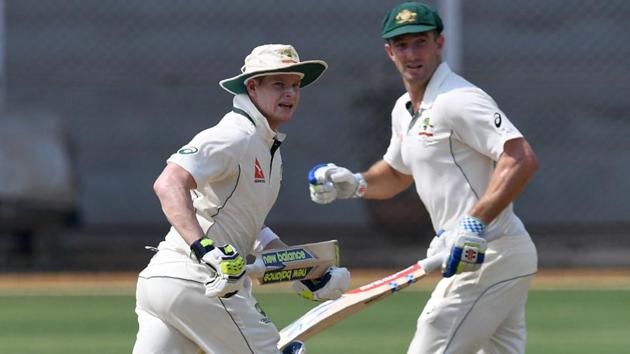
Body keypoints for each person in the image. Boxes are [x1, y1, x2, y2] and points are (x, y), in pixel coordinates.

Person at [308, 2, 539, 354]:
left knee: (432, 338)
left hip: (490, 253)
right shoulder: (404, 109)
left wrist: (474, 223)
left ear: (439, 43)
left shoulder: (459, 99)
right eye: (402, 45)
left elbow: (520, 157)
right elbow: (398, 173)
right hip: (482, 256)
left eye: (420, 42)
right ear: (390, 51)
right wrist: (354, 183)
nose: (412, 54)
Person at [133, 44, 350, 354]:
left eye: (294, 85)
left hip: (164, 284)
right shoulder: (235, 135)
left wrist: (308, 271)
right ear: (252, 86)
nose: (289, 94)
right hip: (200, 282)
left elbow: (253, 229)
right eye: (278, 85)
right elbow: (168, 184)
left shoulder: (265, 145)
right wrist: (206, 250)